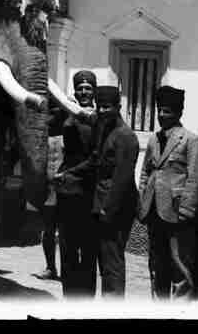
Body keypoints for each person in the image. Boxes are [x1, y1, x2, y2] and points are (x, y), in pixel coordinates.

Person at [138, 85, 198, 299]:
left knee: (179, 265)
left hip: (177, 213)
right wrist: (142, 201)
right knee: (157, 264)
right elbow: (145, 173)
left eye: (166, 111)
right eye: (159, 110)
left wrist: (186, 210)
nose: (161, 115)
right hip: (154, 211)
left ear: (178, 113)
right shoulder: (153, 139)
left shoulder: (191, 141)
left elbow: (195, 178)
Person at [90, 85, 140, 297]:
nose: (102, 111)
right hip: (103, 205)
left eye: (107, 107)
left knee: (113, 261)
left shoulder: (125, 136)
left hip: (116, 209)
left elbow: (122, 178)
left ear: (118, 107)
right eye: (99, 106)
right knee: (105, 261)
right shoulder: (106, 131)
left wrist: (107, 209)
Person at [55, 69, 99, 296]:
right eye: (80, 88)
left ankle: (87, 297)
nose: (83, 92)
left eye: (88, 88)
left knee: (89, 247)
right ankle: (69, 295)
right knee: (67, 246)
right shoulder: (67, 113)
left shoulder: (100, 117)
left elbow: (97, 156)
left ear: (94, 91)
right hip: (67, 189)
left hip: (89, 189)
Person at [33, 107, 66, 281]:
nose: (51, 117)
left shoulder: (68, 136)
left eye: (55, 114)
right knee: (48, 231)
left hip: (65, 191)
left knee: (65, 233)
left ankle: (68, 269)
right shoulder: (42, 138)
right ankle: (50, 267)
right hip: (48, 191)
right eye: (50, 114)